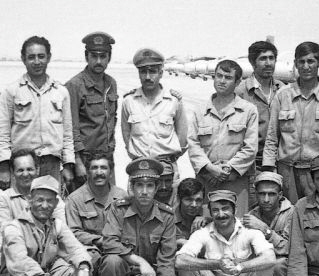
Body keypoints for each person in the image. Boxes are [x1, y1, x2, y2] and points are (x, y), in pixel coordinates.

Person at [0, 175, 91, 276]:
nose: (44, 205)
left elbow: (76, 249)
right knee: (19, 272)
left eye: (50, 201)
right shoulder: (13, 227)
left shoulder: (56, 225)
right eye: (39, 200)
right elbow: (21, 262)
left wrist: (83, 271)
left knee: (76, 268)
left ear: (56, 203)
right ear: (29, 200)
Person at [262, 41, 319, 203]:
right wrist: (270, 172)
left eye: (310, 61)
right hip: (287, 172)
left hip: (318, 174)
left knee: (316, 220)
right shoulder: (283, 95)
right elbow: (272, 139)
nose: (306, 66)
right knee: (289, 218)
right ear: (295, 63)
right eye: (301, 62)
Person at [96, 157, 177, 276]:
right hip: (120, 274)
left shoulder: (167, 216)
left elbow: (167, 255)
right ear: (132, 187)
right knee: (111, 260)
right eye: (139, 185)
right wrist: (141, 261)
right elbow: (109, 242)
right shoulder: (118, 209)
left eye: (149, 186)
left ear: (156, 189)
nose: (144, 191)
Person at [175, 190, 276, 276]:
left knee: (265, 264)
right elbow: (180, 261)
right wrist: (216, 264)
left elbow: (270, 258)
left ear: (235, 209)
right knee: (186, 264)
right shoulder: (203, 233)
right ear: (210, 213)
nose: (221, 214)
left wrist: (241, 267)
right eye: (215, 210)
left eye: (225, 209)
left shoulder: (250, 231)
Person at [0, 36, 74, 190]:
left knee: (49, 209)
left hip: (52, 166)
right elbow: (3, 134)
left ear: (49, 58)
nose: (37, 62)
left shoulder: (61, 92)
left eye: (41, 56)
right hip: (22, 166)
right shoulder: (11, 91)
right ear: (23, 59)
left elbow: (67, 134)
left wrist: (68, 165)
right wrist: (4, 168)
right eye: (31, 57)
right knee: (20, 210)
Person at [188, 60, 258, 217]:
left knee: (237, 226)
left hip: (236, 180)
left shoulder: (248, 111)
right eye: (218, 76)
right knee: (207, 226)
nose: (221, 81)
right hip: (207, 180)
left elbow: (250, 148)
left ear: (238, 82)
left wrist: (227, 171)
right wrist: (210, 169)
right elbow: (193, 144)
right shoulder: (200, 111)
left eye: (228, 77)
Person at [65, 152, 127, 276]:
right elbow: (73, 233)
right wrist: (99, 240)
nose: (99, 172)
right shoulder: (75, 199)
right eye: (94, 168)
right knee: (89, 257)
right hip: (92, 248)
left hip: (116, 247)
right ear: (87, 171)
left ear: (110, 171)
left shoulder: (122, 196)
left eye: (104, 168)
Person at [121, 48, 188, 180]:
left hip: (167, 169)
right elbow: (126, 133)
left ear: (161, 73)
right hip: (139, 167)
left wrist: (169, 157)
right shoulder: (129, 101)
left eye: (152, 72)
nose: (147, 77)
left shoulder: (173, 101)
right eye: (143, 72)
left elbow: (183, 136)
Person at [65, 32, 119, 190]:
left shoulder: (111, 83)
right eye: (94, 56)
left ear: (109, 57)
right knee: (84, 207)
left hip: (107, 157)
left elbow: (112, 118)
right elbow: (71, 127)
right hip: (85, 159)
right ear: (86, 56)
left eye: (103, 56)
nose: (98, 61)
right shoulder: (74, 85)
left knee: (109, 206)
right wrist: (77, 162)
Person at [244, 171, 293, 276]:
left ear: (280, 195)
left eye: (271, 194)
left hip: (287, 265)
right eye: (261, 194)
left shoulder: (292, 213)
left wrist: (265, 230)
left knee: (278, 263)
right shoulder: (252, 215)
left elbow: (288, 248)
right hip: (263, 261)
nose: (266, 199)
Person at [235, 41, 285, 172]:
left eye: (271, 58)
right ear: (252, 62)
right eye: (263, 59)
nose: (268, 63)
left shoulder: (283, 91)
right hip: (251, 165)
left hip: (280, 163)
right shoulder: (240, 92)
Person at [0, 149, 65, 224]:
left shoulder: (52, 197)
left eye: (29, 169)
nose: (25, 174)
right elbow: (4, 230)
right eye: (20, 170)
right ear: (13, 172)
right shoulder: (4, 198)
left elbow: (61, 229)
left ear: (37, 170)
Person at [174, 177, 208, 249]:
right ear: (178, 199)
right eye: (189, 200)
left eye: (198, 200)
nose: (194, 205)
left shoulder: (210, 213)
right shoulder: (168, 219)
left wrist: (209, 220)